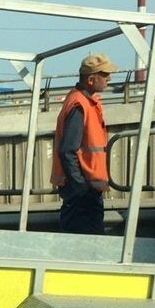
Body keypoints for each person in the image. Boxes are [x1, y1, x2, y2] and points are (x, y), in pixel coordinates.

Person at [51, 53, 116, 235]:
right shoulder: (80, 104)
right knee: (88, 244)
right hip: (82, 192)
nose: (109, 79)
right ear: (91, 79)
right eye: (104, 75)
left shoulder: (83, 101)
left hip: (84, 189)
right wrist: (81, 187)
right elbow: (68, 151)